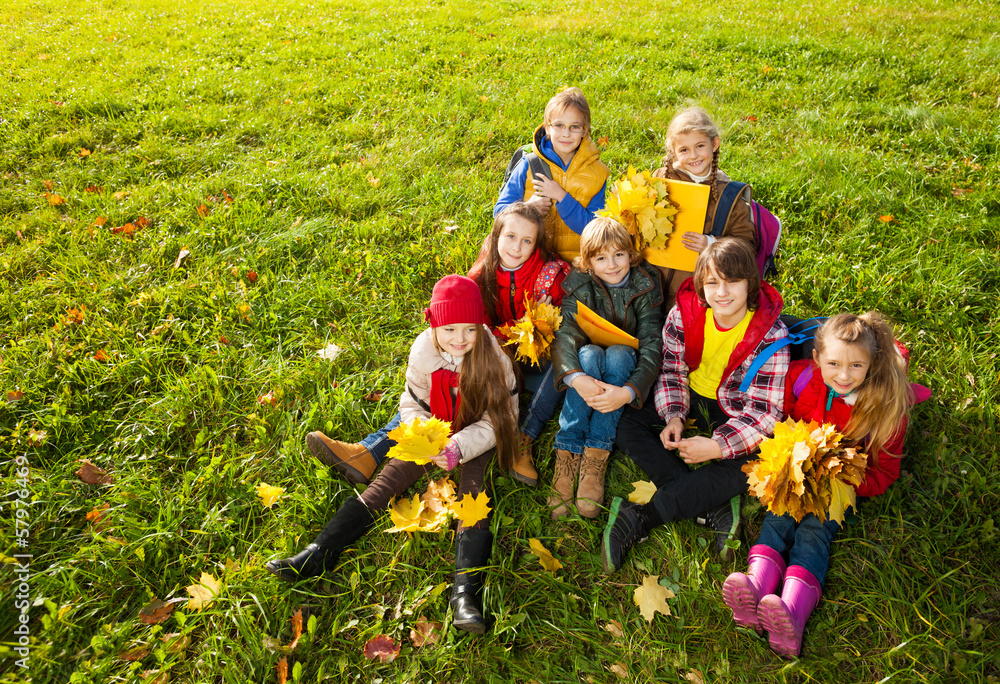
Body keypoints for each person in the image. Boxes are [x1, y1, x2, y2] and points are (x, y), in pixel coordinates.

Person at [266, 275, 518, 635]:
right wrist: (423, 434)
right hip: (434, 428)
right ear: (433, 324)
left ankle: (465, 593)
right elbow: (412, 403)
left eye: (469, 330)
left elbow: (502, 416)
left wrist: (460, 446)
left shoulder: (492, 358)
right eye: (449, 329)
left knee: (474, 493)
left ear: (480, 327)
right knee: (389, 477)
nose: (459, 339)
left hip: (475, 432)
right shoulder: (423, 352)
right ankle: (320, 551)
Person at [722, 312, 912, 658]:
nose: (843, 375)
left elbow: (885, 473)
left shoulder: (885, 409)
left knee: (814, 532)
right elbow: (787, 415)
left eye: (856, 366)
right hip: (797, 473)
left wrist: (844, 479)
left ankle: (791, 613)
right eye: (834, 363)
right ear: (816, 359)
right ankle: (754, 587)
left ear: (873, 364)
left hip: (837, 487)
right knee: (777, 517)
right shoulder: (802, 378)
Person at [603, 238, 788, 569]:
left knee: (752, 465)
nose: (722, 292)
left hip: (733, 410)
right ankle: (713, 504)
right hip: (689, 396)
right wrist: (674, 415)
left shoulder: (770, 336)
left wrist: (717, 446)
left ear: (751, 283)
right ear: (702, 286)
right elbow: (672, 370)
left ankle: (640, 518)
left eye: (732, 281)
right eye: (713, 282)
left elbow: (764, 414)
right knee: (628, 423)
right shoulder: (684, 314)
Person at [549, 218, 664, 519]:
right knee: (586, 355)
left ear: (630, 254)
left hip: (623, 364)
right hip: (589, 361)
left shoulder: (646, 283)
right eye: (601, 258)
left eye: (619, 255)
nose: (612, 265)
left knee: (617, 354)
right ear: (588, 261)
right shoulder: (578, 284)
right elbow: (564, 336)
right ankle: (568, 450)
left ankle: (595, 455)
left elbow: (652, 343)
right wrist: (576, 379)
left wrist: (627, 393)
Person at [468, 202, 572, 486]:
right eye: (510, 237)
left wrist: (543, 321)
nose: (516, 247)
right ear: (496, 236)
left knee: (564, 357)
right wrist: (519, 326)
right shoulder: (479, 277)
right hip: (498, 357)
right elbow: (478, 329)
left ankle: (524, 436)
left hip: (537, 358)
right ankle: (486, 422)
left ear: (536, 244)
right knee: (474, 353)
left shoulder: (550, 276)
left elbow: (565, 329)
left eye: (527, 241)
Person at [652, 106, 757, 306]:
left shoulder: (730, 196)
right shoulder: (660, 181)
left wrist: (710, 244)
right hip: (650, 286)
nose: (693, 156)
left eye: (700, 146)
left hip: (696, 295)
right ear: (674, 153)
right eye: (684, 150)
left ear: (714, 144)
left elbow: (746, 247)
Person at [493, 87, 609, 264]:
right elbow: (499, 212)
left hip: (576, 266)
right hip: (529, 262)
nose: (566, 133)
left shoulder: (598, 174)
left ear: (585, 130)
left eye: (575, 127)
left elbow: (595, 230)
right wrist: (526, 209)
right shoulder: (529, 164)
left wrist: (562, 197)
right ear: (547, 127)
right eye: (559, 125)